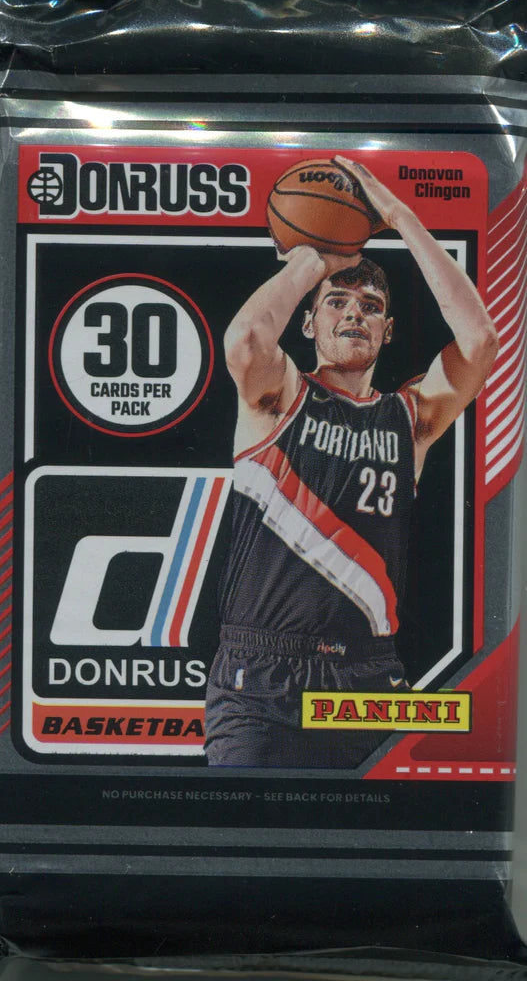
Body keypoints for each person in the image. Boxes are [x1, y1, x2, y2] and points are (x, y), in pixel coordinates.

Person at [204, 157, 498, 768]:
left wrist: (402, 218)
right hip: (261, 676)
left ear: (387, 331)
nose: (354, 313)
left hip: (368, 679)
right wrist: (315, 259)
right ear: (309, 322)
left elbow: (480, 342)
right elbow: (247, 340)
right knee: (248, 831)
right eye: (337, 303)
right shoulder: (278, 396)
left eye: (370, 305)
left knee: (377, 833)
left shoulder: (409, 419)